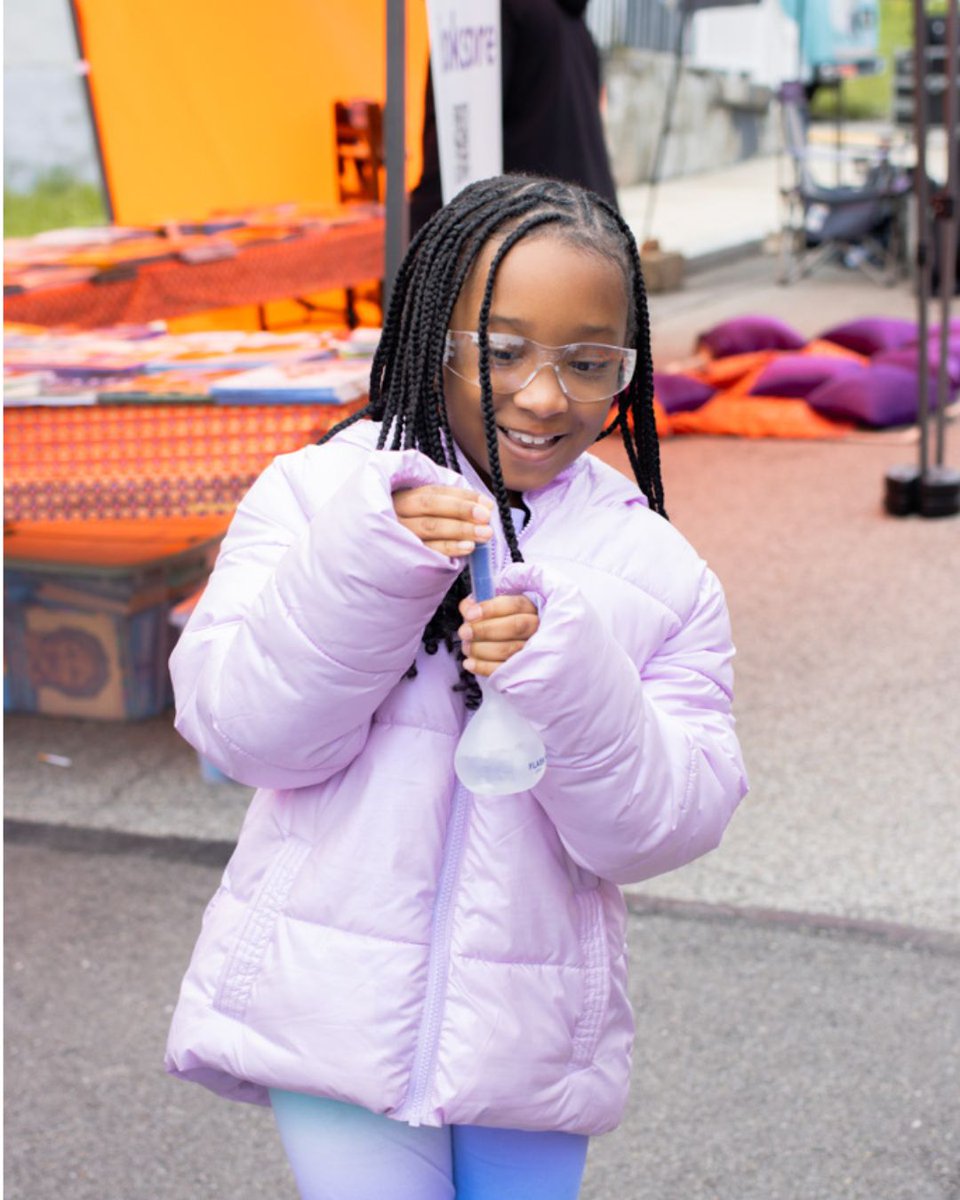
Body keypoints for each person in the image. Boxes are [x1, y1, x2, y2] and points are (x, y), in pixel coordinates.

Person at [165, 173, 748, 1200]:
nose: (542, 393)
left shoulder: (659, 571)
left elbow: (664, 827)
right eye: (503, 348)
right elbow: (244, 733)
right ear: (433, 332)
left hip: (528, 1037)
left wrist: (571, 676)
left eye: (587, 361)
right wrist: (367, 566)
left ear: (630, 367)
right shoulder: (317, 497)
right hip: (329, 1009)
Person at [409, 0, 618, 236]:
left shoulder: (488, 11)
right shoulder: (578, 29)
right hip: (589, 227)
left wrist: (423, 234)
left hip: (537, 236)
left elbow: (451, 143)